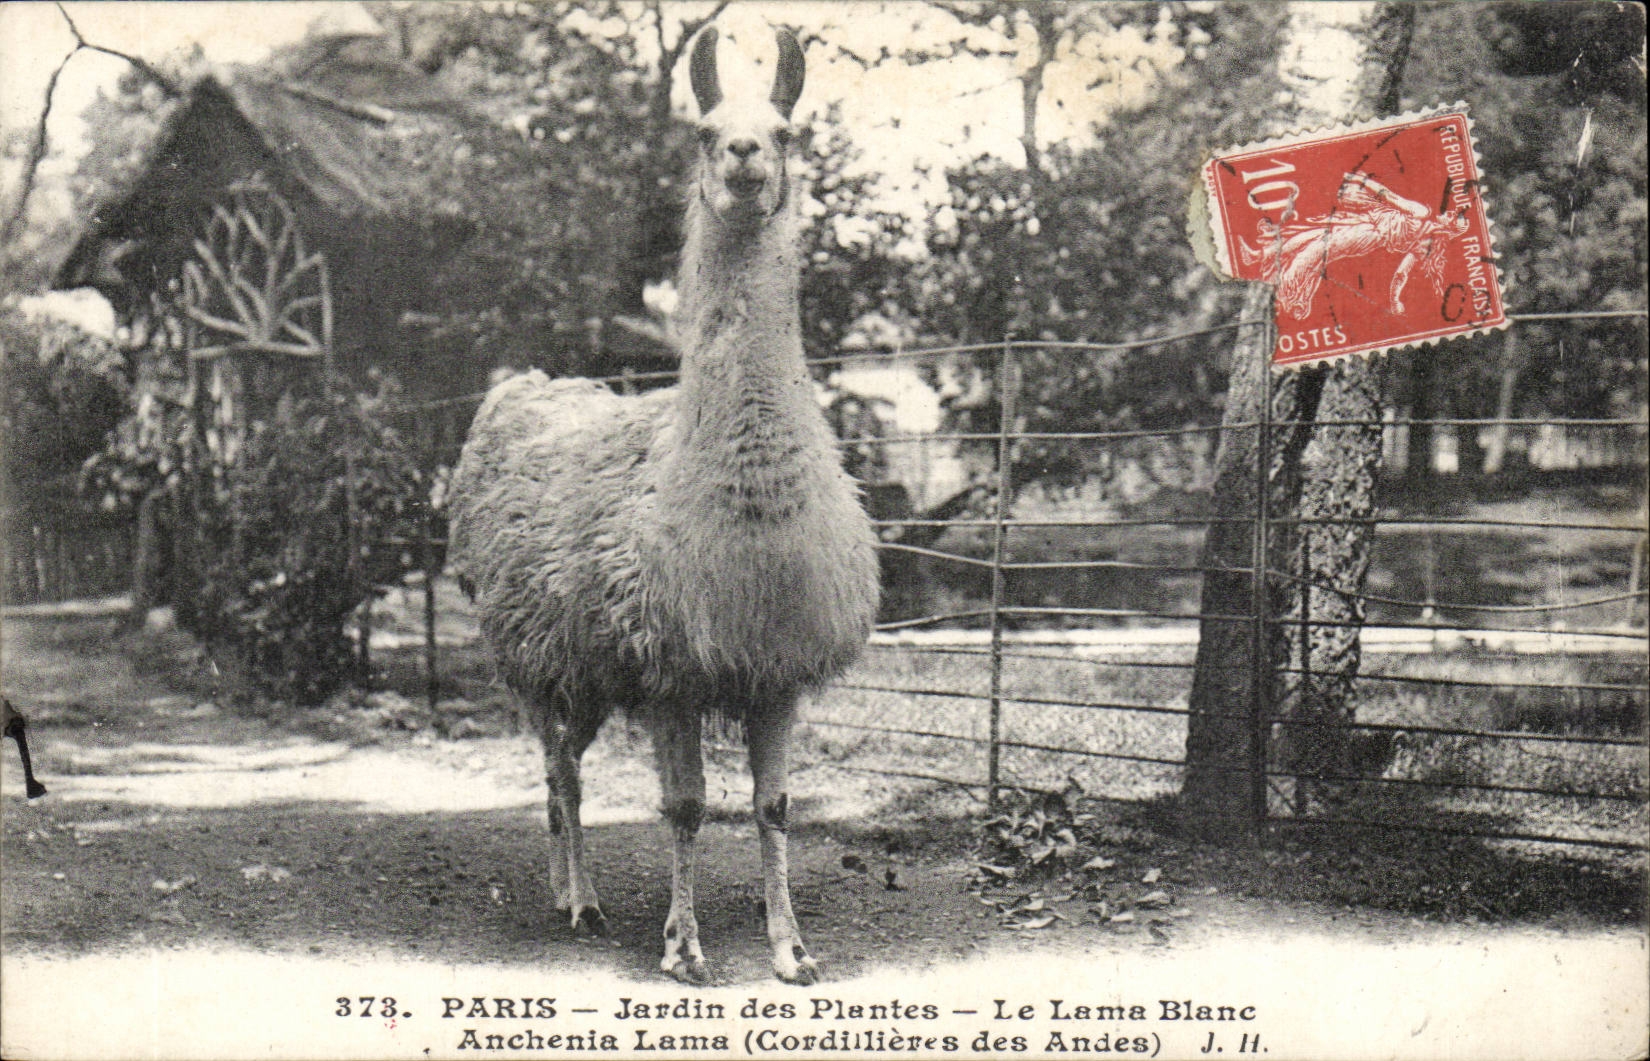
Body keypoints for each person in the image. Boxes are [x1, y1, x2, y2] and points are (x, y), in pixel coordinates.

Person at [1239, 171, 1471, 320]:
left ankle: (1284, 293)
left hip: (1367, 232)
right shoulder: (1424, 244)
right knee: (1311, 236)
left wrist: (1363, 181)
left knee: (1316, 250)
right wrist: (1395, 301)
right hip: (1366, 222)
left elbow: (1389, 197)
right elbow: (1401, 274)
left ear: (1449, 227)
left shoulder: (1423, 217)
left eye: (1451, 217)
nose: (1448, 213)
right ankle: (1261, 257)